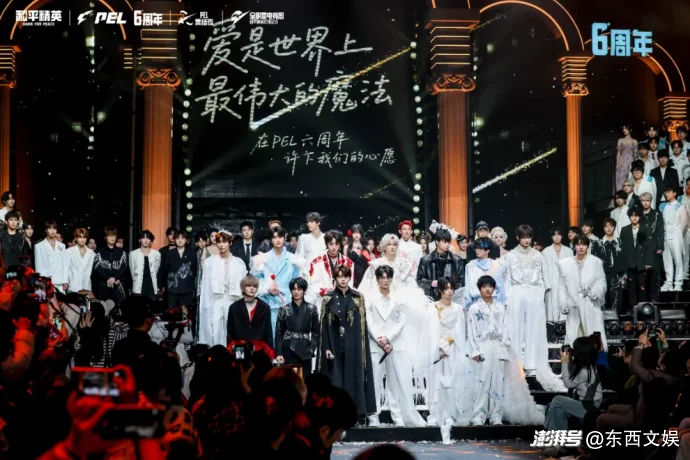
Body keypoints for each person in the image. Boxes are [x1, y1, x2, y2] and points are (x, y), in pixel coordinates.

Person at [502, 224, 562, 391]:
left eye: (528, 237)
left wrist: (541, 293)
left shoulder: (537, 255)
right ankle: (516, 368)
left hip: (534, 294)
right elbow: (507, 279)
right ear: (517, 238)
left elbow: (543, 277)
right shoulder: (510, 256)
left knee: (534, 331)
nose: (526, 240)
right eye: (523, 237)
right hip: (516, 293)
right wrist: (507, 298)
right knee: (516, 331)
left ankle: (532, 369)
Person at [365, 265, 426, 428]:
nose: (385, 281)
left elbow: (401, 321)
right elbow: (368, 322)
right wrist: (380, 340)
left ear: (392, 279)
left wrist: (388, 338)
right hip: (376, 344)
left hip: (395, 343)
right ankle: (373, 417)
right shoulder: (370, 298)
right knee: (375, 382)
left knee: (395, 381)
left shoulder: (399, 298)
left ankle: (397, 415)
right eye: (382, 278)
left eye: (388, 278)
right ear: (377, 279)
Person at [316, 264, 376, 418]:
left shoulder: (358, 297)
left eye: (345, 276)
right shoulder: (328, 298)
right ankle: (335, 414)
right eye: (339, 276)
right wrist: (326, 346)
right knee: (335, 379)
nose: (343, 279)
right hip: (334, 342)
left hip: (353, 342)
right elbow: (323, 326)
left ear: (350, 278)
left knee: (352, 377)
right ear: (335, 279)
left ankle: (355, 413)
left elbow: (362, 325)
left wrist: (361, 346)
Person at [416, 278, 464, 441]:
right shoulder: (432, 307)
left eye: (452, 288)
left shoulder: (458, 309)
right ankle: (435, 414)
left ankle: (450, 413)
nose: (449, 291)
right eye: (446, 288)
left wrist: (447, 346)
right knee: (434, 381)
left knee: (451, 381)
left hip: (453, 349)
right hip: (435, 350)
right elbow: (429, 331)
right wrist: (439, 347)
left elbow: (459, 331)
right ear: (440, 290)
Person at [541, 337, 602, 457]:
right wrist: (568, 361)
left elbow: (568, 383)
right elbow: (572, 377)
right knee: (558, 409)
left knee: (557, 400)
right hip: (585, 404)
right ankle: (560, 446)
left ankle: (550, 435)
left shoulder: (586, 371)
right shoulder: (587, 367)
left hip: (590, 407)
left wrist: (564, 362)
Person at [467, 275, 510, 426]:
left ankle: (496, 415)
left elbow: (506, 327)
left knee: (498, 382)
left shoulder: (500, 307)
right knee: (482, 382)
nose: (487, 289)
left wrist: (504, 347)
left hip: (498, 345)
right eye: (484, 286)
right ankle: (478, 415)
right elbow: (471, 331)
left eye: (490, 286)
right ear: (480, 289)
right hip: (483, 346)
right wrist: (475, 351)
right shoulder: (474, 309)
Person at [558, 236, 608, 350]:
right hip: (573, 305)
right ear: (574, 246)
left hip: (590, 304)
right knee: (573, 335)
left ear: (587, 246)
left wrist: (594, 293)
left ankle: (595, 358)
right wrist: (563, 303)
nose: (581, 247)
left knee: (593, 334)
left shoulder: (595, 262)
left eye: (584, 244)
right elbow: (562, 286)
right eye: (578, 244)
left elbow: (601, 282)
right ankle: (574, 358)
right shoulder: (565, 265)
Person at [199, 231, 246, 346]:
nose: (221, 245)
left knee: (233, 329)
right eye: (219, 242)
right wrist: (206, 304)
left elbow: (243, 286)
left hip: (233, 300)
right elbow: (205, 285)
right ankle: (216, 352)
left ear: (230, 243)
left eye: (224, 242)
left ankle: (233, 353)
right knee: (215, 329)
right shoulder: (210, 262)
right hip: (215, 300)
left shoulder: (239, 263)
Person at [251, 225, 303, 328]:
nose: (278, 240)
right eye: (274, 237)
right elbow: (256, 280)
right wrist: (267, 288)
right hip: (268, 301)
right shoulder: (262, 258)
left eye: (280, 237)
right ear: (270, 240)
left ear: (284, 238)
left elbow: (297, 280)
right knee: (271, 333)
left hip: (288, 301)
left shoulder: (294, 259)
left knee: (288, 333)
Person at [275, 277, 319, 374]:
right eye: (294, 289)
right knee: (289, 379)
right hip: (288, 348)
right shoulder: (284, 309)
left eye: (299, 289)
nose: (296, 292)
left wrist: (311, 349)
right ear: (291, 291)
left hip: (306, 349)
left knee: (305, 379)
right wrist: (279, 353)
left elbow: (316, 332)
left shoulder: (312, 309)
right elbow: (279, 333)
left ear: (304, 290)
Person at [226, 275, 274, 352]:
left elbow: (268, 331)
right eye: (248, 286)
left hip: (259, 348)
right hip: (239, 347)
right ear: (243, 288)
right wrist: (231, 348)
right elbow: (230, 331)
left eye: (254, 286)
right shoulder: (234, 307)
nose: (252, 288)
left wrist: (271, 351)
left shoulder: (265, 307)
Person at [305, 230, 353, 308]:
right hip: (323, 301)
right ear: (326, 244)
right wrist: (326, 291)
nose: (334, 247)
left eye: (337, 244)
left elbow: (350, 282)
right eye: (331, 244)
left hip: (343, 301)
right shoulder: (316, 262)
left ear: (340, 245)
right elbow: (312, 283)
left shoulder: (348, 262)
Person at [619, 207, 653, 314]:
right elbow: (623, 248)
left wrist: (648, 262)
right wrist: (624, 264)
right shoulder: (624, 229)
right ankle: (632, 309)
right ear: (629, 217)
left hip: (642, 262)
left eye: (636, 216)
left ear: (640, 217)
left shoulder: (645, 228)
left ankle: (643, 309)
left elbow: (649, 247)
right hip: (630, 262)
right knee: (631, 287)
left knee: (642, 286)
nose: (634, 218)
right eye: (632, 216)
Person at [590, 219, 626, 318]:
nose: (609, 228)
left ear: (614, 227)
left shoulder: (620, 242)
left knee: (616, 299)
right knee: (602, 299)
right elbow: (594, 261)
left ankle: (615, 322)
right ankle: (602, 322)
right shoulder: (597, 243)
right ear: (603, 228)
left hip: (617, 275)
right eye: (606, 226)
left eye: (611, 226)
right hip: (602, 275)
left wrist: (623, 276)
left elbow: (624, 259)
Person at [417, 228, 465, 300]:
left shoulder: (457, 260)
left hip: (451, 298)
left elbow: (461, 282)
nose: (447, 245)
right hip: (432, 298)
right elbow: (420, 280)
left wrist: (450, 287)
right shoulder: (425, 260)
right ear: (437, 242)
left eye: (448, 242)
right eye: (444, 242)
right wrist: (431, 283)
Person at [158, 230, 198, 309]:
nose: (180, 240)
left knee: (186, 312)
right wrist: (163, 285)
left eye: (182, 238)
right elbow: (165, 270)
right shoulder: (169, 253)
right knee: (171, 311)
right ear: (174, 240)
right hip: (172, 288)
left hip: (187, 287)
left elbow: (194, 269)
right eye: (177, 238)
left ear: (186, 240)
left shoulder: (191, 253)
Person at [659, 184, 688, 291]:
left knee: (678, 259)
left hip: (676, 235)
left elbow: (684, 223)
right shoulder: (663, 206)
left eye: (669, 192)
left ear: (674, 193)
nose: (666, 194)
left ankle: (678, 282)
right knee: (667, 259)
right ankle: (669, 281)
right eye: (666, 192)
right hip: (666, 235)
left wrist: (678, 233)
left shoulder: (680, 206)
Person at [542, 228, 573, 322]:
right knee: (552, 308)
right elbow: (544, 270)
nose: (556, 237)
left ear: (562, 236)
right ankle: (553, 326)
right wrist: (547, 285)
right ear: (551, 237)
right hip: (551, 283)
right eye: (554, 235)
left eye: (558, 234)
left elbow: (571, 269)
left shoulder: (569, 251)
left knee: (565, 307)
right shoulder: (545, 252)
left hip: (565, 283)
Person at [464, 237, 504, 309]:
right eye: (476, 248)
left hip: (493, 303)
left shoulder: (496, 265)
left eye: (480, 248)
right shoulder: (470, 266)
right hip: (475, 303)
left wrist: (501, 305)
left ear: (487, 250)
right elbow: (467, 288)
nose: (477, 250)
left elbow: (500, 288)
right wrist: (468, 306)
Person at [93, 227, 129, 305]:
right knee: (104, 308)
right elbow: (97, 268)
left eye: (114, 235)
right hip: (103, 285)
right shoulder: (99, 251)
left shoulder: (122, 252)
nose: (112, 238)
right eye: (110, 236)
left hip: (117, 284)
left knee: (120, 307)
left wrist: (115, 277)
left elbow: (124, 268)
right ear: (105, 237)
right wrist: (108, 278)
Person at [639, 192, 664, 301]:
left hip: (654, 247)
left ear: (651, 201)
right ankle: (643, 300)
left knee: (655, 274)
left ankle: (654, 299)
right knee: (642, 274)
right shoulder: (638, 214)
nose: (645, 203)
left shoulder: (657, 214)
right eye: (643, 201)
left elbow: (660, 230)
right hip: (642, 247)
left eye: (647, 201)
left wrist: (660, 246)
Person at [34, 220, 68, 292]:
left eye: (54, 229)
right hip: (47, 280)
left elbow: (64, 264)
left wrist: (65, 280)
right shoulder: (39, 246)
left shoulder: (62, 245)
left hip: (60, 281)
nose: (52, 231)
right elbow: (38, 266)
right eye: (50, 228)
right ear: (46, 230)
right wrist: (41, 282)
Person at [129, 230, 160, 298]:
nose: (146, 240)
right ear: (139, 240)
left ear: (151, 241)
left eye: (148, 238)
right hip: (138, 287)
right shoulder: (133, 254)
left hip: (152, 286)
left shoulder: (157, 254)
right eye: (143, 238)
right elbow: (132, 272)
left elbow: (157, 270)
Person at [295, 212, 326, 276]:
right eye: (308, 222)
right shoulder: (303, 238)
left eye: (311, 221)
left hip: (323, 273)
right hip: (308, 273)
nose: (308, 224)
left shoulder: (326, 237)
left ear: (318, 222)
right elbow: (299, 257)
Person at [65, 228, 95, 292]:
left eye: (84, 237)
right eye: (80, 237)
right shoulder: (68, 252)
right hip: (73, 286)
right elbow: (65, 269)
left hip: (87, 286)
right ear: (76, 238)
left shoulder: (92, 254)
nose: (82, 239)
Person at [616, 124, 637, 191]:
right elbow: (618, 153)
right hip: (622, 161)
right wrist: (617, 164)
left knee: (630, 179)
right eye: (623, 129)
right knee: (621, 179)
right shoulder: (620, 140)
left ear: (630, 130)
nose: (624, 130)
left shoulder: (634, 141)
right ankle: (620, 194)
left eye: (626, 128)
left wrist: (635, 164)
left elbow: (635, 154)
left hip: (631, 162)